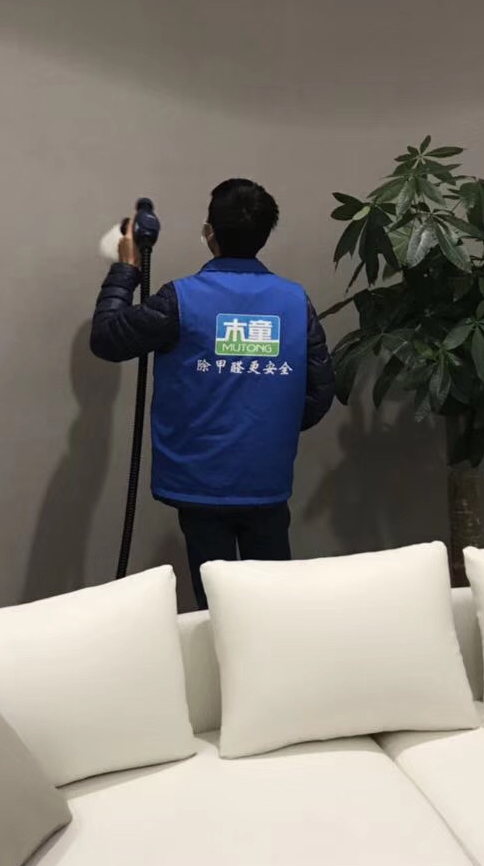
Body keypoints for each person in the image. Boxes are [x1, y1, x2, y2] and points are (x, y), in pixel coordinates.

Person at [91, 179, 335, 607]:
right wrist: (263, 429)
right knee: (275, 603)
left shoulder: (180, 300)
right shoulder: (295, 302)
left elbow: (107, 338)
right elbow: (319, 392)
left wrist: (126, 269)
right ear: (265, 235)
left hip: (199, 487)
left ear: (209, 233)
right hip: (266, 484)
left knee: (217, 607)